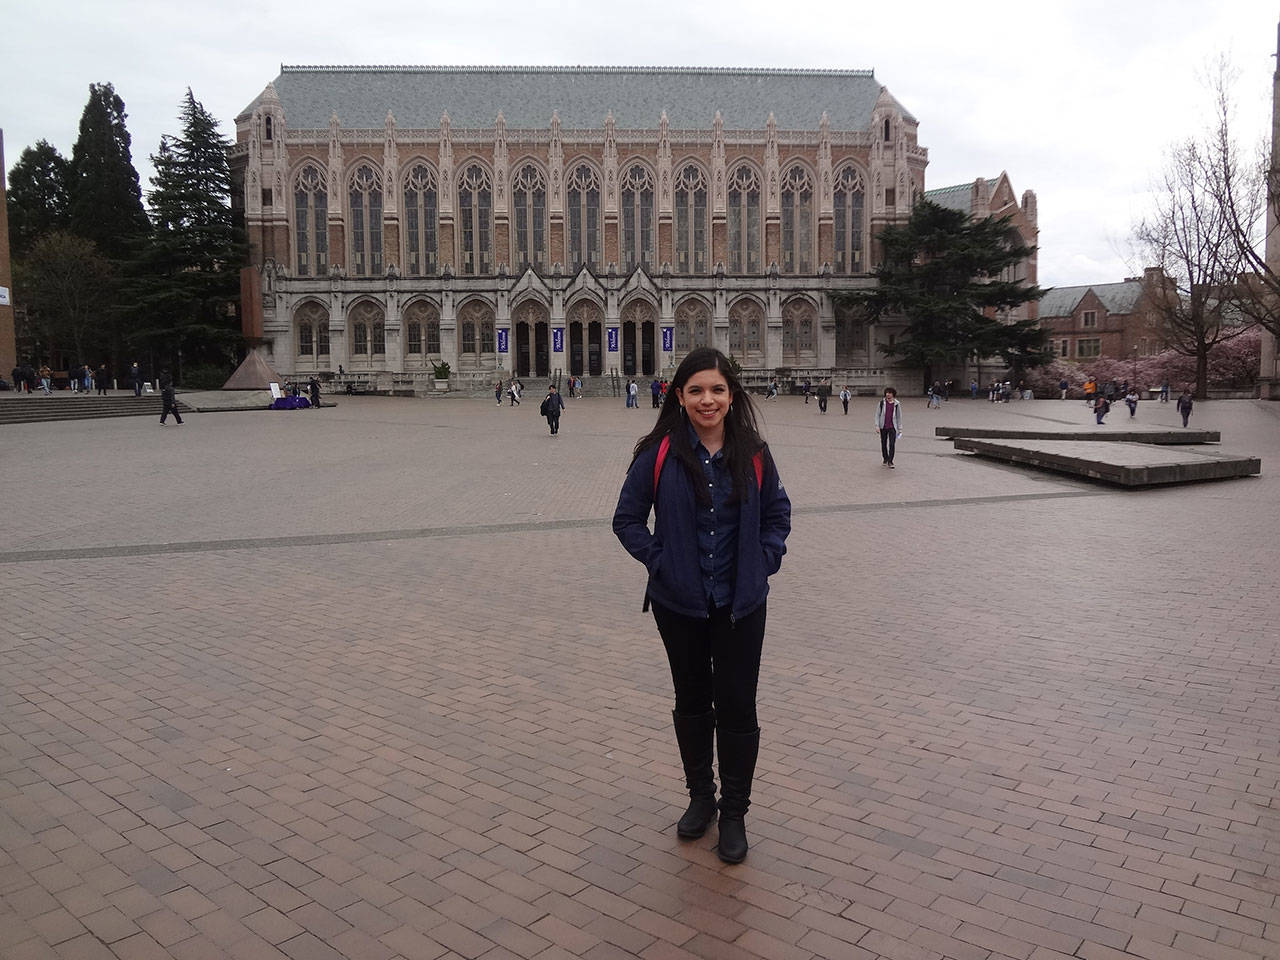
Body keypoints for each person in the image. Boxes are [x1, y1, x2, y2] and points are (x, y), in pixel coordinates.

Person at [612, 347, 791, 864]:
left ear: (731, 396)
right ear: (680, 396)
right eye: (696, 390)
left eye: (716, 389)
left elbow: (778, 514)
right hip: (681, 601)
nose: (707, 400)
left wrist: (764, 559)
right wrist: (661, 562)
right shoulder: (659, 452)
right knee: (692, 700)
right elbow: (626, 520)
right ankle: (700, 798)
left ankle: (734, 811)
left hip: (741, 600)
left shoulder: (754, 452)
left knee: (738, 705)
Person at [875, 387, 903, 467]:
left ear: (893, 394)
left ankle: (890, 461)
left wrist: (900, 428)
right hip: (883, 426)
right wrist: (877, 425)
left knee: (892, 444)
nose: (888, 394)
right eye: (887, 393)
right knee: (883, 443)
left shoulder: (897, 404)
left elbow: (899, 417)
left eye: (889, 393)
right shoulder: (881, 403)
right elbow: (877, 415)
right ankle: (885, 458)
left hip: (892, 427)